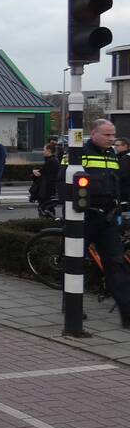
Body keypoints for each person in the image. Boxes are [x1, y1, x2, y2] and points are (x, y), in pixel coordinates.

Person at [79, 119, 130, 328]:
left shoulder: (111, 155)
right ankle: (72, 304)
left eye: (113, 135)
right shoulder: (77, 153)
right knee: (74, 262)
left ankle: (127, 314)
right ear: (93, 134)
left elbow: (115, 183)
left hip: (107, 218)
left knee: (117, 264)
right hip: (84, 218)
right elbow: (64, 182)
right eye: (107, 135)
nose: (112, 139)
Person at [115, 136, 130, 202]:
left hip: (125, 192)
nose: (115, 147)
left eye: (117, 145)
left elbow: (121, 175)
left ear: (126, 146)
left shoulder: (126, 158)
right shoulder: (121, 157)